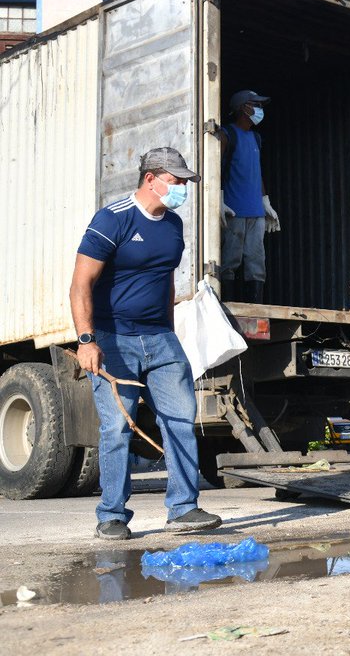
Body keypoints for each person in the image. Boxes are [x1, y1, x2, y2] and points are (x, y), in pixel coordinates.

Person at [69, 147, 223, 540]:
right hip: (113, 337)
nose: (182, 189)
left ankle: (184, 508)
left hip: (160, 339)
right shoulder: (112, 219)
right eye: (176, 181)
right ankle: (112, 515)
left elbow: (166, 278)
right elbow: (80, 284)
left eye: (185, 182)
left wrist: (170, 332)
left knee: (180, 421)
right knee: (118, 428)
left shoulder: (172, 225)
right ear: (151, 179)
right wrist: (87, 341)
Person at [218, 89, 280, 303]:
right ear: (243, 108)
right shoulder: (227, 135)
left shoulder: (255, 137)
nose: (259, 109)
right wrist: (217, 198)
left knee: (256, 261)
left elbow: (256, 170)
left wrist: (265, 201)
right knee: (230, 259)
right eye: (256, 104)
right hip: (235, 209)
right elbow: (215, 166)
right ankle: (226, 304)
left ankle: (255, 305)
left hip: (255, 210)